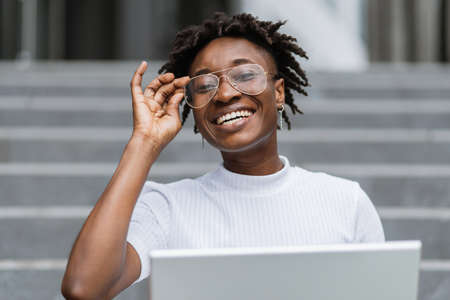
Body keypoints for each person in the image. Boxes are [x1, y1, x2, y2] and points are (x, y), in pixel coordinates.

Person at [61, 12, 385, 300]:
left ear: (278, 92)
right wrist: (143, 143)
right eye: (204, 85)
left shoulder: (345, 202)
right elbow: (84, 288)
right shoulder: (165, 208)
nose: (225, 94)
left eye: (244, 75)